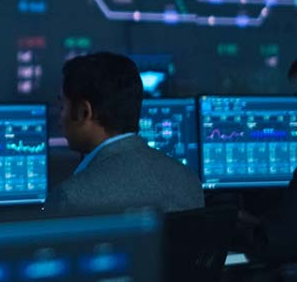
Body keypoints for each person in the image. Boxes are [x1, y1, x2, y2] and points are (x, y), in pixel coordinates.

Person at [45, 51, 203, 214]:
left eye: (63, 106)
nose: (60, 118)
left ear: (85, 112)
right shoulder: (188, 180)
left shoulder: (69, 198)